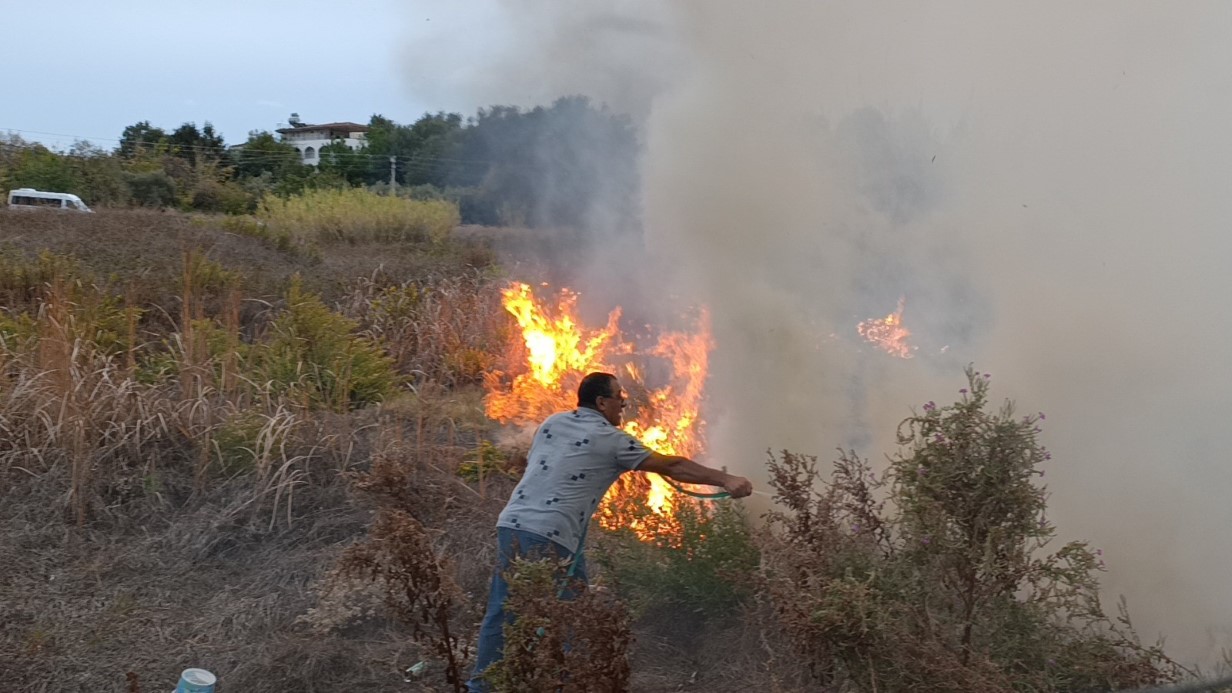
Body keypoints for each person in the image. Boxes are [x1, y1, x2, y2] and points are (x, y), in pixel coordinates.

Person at [467, 371, 754, 691]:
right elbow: (671, 466)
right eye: (620, 398)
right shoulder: (610, 440)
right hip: (550, 533)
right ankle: (507, 685)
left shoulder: (553, 422)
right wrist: (726, 480)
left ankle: (547, 680)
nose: (624, 404)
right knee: (553, 615)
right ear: (602, 402)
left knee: (528, 609)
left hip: (514, 524)